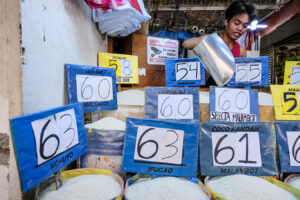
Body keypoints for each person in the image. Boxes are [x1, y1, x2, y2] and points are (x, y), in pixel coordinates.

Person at [182, 1, 256, 58]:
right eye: (236, 23)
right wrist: (211, 43)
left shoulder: (241, 51)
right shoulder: (209, 39)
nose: (240, 28)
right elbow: (186, 44)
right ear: (226, 22)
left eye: (245, 26)